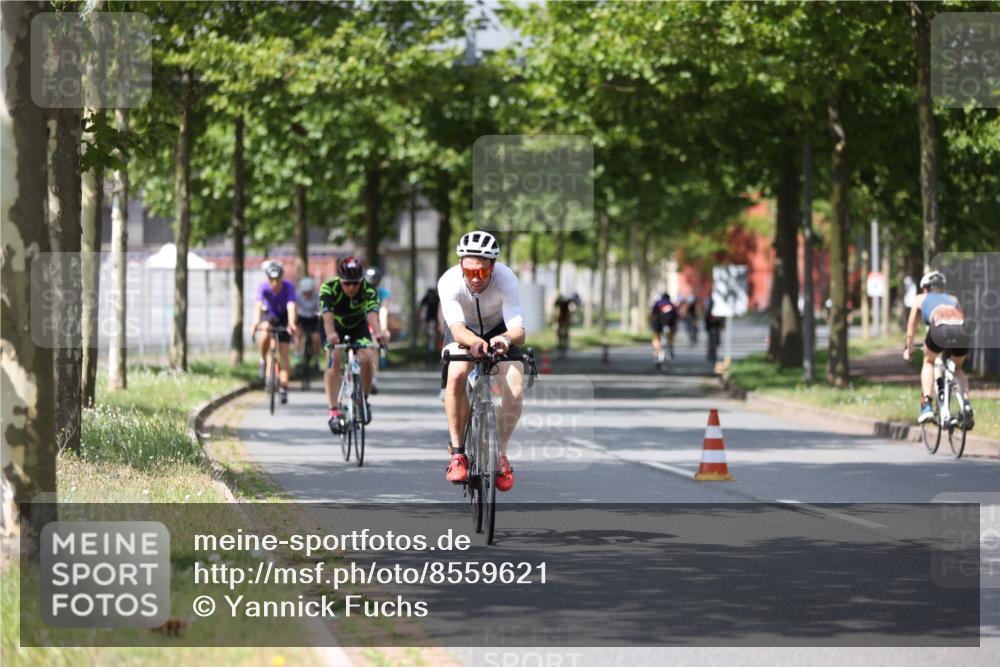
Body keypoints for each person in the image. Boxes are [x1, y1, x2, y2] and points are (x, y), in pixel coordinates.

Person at [439, 231, 525, 492]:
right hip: (463, 331)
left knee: (516, 388)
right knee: (456, 375)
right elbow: (456, 328)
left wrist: (506, 340)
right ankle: (457, 453)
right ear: (460, 264)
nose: (475, 279)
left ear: (493, 267)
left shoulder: (506, 279)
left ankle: (499, 453)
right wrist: (474, 343)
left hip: (499, 330)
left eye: (482, 273)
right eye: (469, 272)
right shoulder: (450, 281)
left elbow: (519, 330)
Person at [319, 257, 391, 434]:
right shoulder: (329, 288)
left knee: (366, 357)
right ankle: (334, 412)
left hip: (357, 325)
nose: (351, 287)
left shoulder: (368, 289)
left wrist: (379, 333)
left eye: (355, 283)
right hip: (333, 326)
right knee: (334, 360)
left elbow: (373, 316)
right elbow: (326, 315)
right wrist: (331, 335)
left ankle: (363, 400)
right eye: (347, 283)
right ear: (340, 280)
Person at [903, 270, 974, 427]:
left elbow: (911, 327)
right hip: (961, 329)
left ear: (925, 288)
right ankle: (966, 403)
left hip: (939, 327)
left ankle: (927, 404)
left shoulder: (921, 298)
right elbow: (959, 318)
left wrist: (909, 348)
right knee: (958, 368)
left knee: (928, 361)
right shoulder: (952, 299)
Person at [252, 261, 298, 404]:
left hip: (284, 317)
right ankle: (262, 359)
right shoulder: (263, 287)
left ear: (282, 277)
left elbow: (291, 306)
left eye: (277, 279)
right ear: (267, 278)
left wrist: (291, 323)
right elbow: (258, 305)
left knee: (284, 352)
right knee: (265, 329)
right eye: (272, 280)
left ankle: (284, 387)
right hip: (269, 315)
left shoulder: (289, 287)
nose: (275, 283)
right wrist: (255, 323)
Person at [295, 276, 322, 378]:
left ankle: (316, 360)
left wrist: (320, 325)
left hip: (312, 319)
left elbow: (319, 311)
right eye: (305, 293)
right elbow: (295, 308)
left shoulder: (316, 296)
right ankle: (297, 360)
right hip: (301, 318)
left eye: (309, 293)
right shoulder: (297, 295)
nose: (307, 295)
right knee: (298, 335)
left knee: (316, 337)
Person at [650, 292, 677, 368]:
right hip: (668, 325)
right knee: (668, 340)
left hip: (657, 324)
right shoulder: (671, 305)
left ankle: (656, 353)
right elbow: (675, 317)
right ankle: (670, 349)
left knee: (656, 339)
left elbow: (653, 315)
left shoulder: (657, 304)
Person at [419, 287, 443, 357]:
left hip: (436, 318)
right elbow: (422, 307)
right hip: (429, 318)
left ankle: (437, 346)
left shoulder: (437, 298)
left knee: (437, 333)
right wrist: (421, 320)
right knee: (428, 332)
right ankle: (428, 342)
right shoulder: (426, 298)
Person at [704, 295, 724, 363]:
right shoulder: (711, 305)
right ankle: (711, 353)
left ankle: (713, 354)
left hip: (715, 326)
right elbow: (707, 316)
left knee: (714, 340)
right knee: (711, 340)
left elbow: (722, 316)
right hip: (712, 326)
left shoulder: (719, 305)